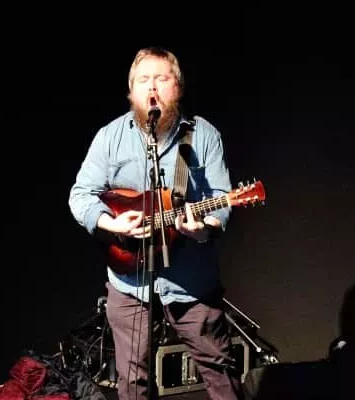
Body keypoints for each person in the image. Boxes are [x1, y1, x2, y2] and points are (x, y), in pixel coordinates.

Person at [68, 46, 243, 400]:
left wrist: (203, 228)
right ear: (131, 90)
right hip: (130, 283)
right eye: (143, 80)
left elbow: (222, 199)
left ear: (177, 87)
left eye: (161, 79)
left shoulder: (203, 135)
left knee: (220, 372)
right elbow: (80, 195)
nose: (152, 88)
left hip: (191, 281)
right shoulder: (110, 136)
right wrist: (112, 224)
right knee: (132, 382)